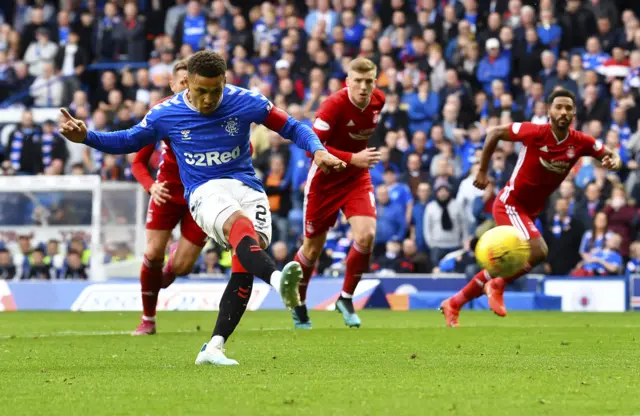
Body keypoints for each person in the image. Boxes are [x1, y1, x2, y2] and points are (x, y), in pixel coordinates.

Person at [58, 50, 345, 365]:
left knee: (245, 263)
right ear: (187, 85)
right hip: (204, 190)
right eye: (200, 91)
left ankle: (214, 347)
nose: (208, 99)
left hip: (247, 186)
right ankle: (278, 281)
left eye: (215, 90)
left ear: (225, 81)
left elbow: (293, 127)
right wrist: (87, 136)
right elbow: (128, 140)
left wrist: (316, 150)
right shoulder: (165, 114)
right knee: (240, 229)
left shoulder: (245, 100)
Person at [440, 89, 622, 327]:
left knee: (511, 262)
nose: (563, 112)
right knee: (538, 250)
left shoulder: (580, 142)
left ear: (574, 112)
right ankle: (497, 285)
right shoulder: (535, 133)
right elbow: (494, 132)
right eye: (559, 107)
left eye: (568, 108)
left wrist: (614, 161)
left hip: (530, 211)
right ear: (549, 110)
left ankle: (454, 303)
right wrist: (483, 171)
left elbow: (610, 154)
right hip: (510, 203)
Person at [291, 57, 385, 329]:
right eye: (358, 81)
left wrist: (355, 162)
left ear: (375, 82)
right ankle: (299, 303)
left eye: (369, 81)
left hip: (356, 179)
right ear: (347, 82)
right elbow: (312, 148)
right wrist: (352, 157)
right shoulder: (331, 106)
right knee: (311, 250)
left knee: (366, 236)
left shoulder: (379, 101)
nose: (364, 87)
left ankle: (345, 298)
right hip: (325, 180)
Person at [129, 59, 209, 336]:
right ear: (173, 85)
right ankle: (148, 319)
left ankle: (170, 264)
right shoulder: (161, 113)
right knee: (152, 254)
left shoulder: (214, 110)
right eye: (182, 82)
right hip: (166, 192)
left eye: (192, 81)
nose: (188, 87)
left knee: (183, 268)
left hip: (201, 196)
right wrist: (151, 186)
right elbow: (138, 162)